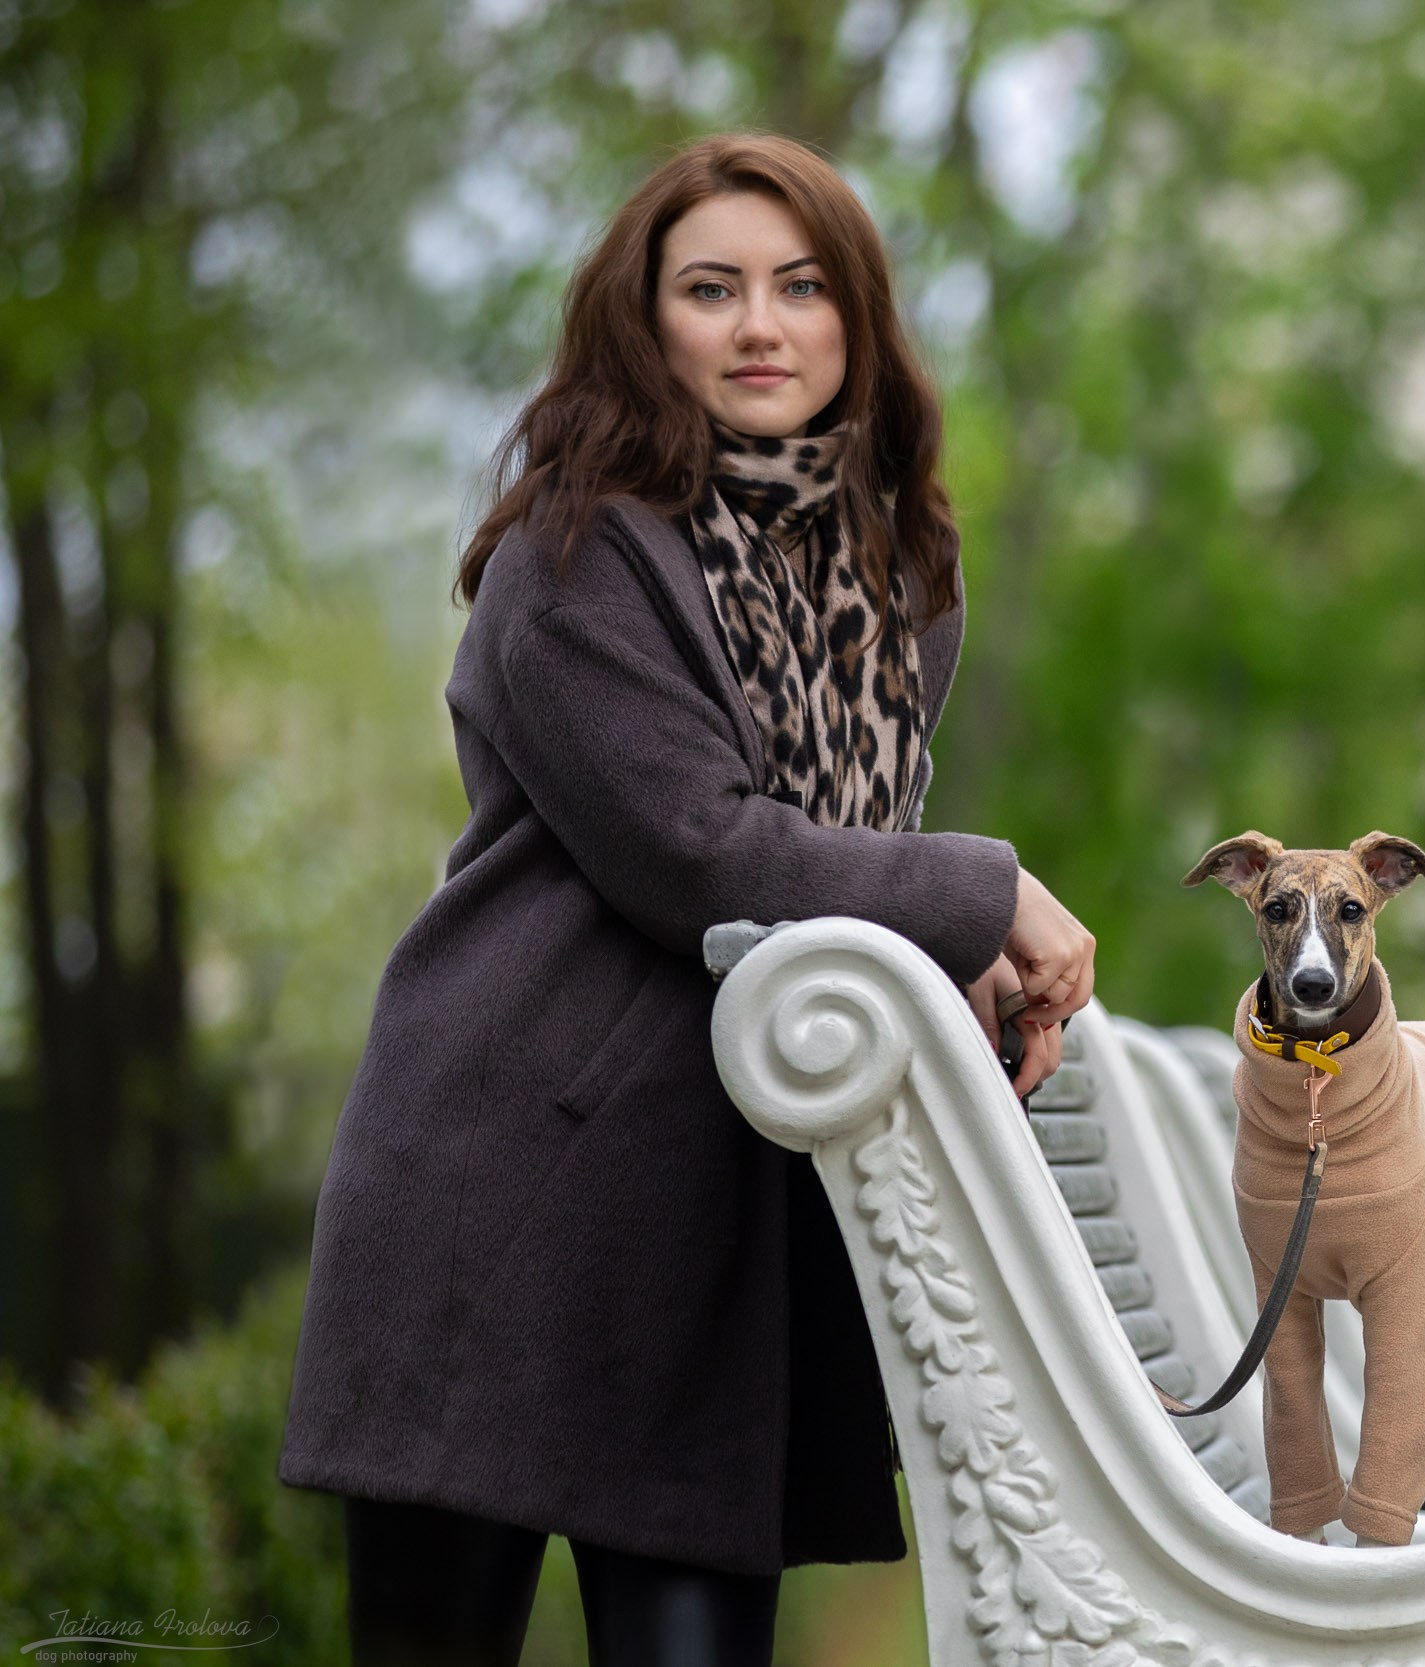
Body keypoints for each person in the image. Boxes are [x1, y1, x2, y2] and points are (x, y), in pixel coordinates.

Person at [276, 132, 1096, 1666]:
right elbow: (703, 854)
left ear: (857, 319)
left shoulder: (897, 573)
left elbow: (828, 865)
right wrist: (988, 899)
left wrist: (948, 967)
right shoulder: (572, 551)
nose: (760, 325)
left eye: (799, 287)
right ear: (645, 322)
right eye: (710, 289)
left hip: (723, 1224)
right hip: (510, 1193)